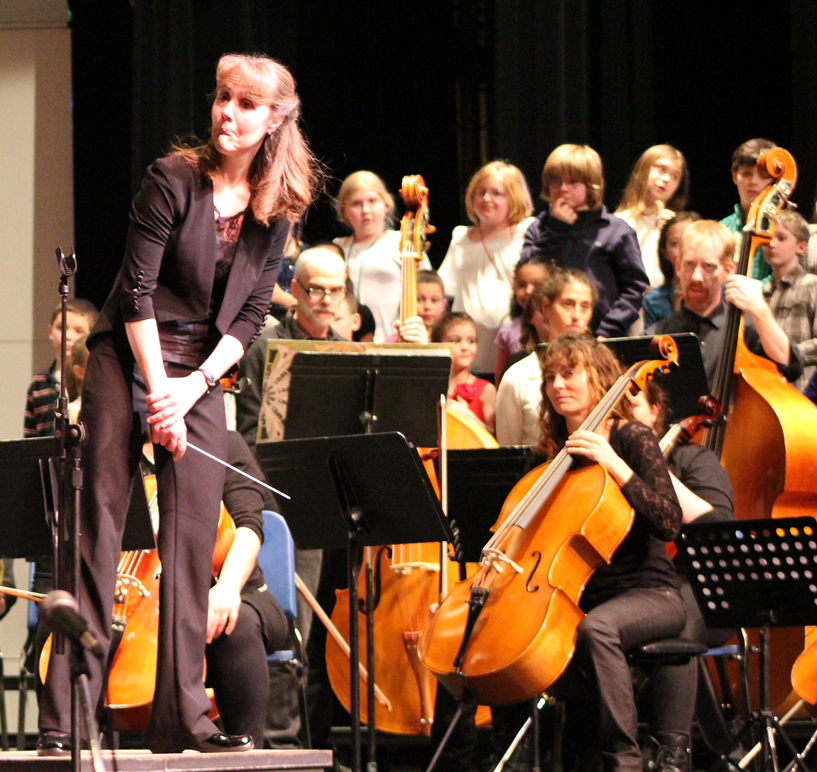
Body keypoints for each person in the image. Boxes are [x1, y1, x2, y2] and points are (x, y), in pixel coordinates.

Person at [38, 53, 320, 756]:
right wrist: (156, 386)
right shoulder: (172, 180)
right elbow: (134, 291)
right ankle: (64, 723)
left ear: (274, 119)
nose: (227, 114)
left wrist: (191, 389)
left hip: (199, 375)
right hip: (127, 354)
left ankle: (182, 719)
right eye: (223, 98)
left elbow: (252, 315)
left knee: (191, 543)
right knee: (99, 534)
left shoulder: (276, 207)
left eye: (245, 105)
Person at [529, 334, 684, 772]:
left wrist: (613, 463)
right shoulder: (548, 455)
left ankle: (624, 761)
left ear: (597, 377)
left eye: (569, 373)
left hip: (650, 594)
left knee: (597, 631)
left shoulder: (632, 437)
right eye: (550, 377)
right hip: (579, 595)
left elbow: (668, 520)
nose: (558, 384)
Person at [628, 383, 733, 772]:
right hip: (641, 586)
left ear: (656, 410)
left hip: (701, 588)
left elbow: (720, 528)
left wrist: (650, 469)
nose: (623, 415)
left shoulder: (693, 459)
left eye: (633, 405)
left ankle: (673, 758)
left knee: (675, 628)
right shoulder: (606, 463)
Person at [647, 219, 803, 390]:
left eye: (708, 266)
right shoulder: (655, 336)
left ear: (727, 271)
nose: (696, 277)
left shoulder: (747, 328)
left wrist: (759, 310)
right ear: (678, 267)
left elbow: (791, 367)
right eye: (689, 264)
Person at [520, 144, 648, 337]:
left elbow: (635, 287)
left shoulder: (616, 230)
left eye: (573, 182)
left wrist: (608, 329)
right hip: (547, 336)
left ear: (590, 186)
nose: (562, 189)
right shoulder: (539, 228)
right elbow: (526, 274)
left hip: (602, 336)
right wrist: (555, 229)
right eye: (555, 181)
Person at [438, 160, 535, 373]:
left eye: (497, 193)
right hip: (470, 346)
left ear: (514, 197)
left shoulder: (526, 233)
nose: (486, 199)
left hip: (512, 344)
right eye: (480, 192)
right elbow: (444, 289)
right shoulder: (461, 237)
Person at [495, 268, 596, 446]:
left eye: (585, 306)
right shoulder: (517, 377)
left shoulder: (602, 368)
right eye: (568, 304)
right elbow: (509, 450)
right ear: (545, 308)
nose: (577, 315)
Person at [333, 171, 431, 342]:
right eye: (356, 204)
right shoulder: (337, 247)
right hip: (346, 343)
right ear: (345, 211)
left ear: (386, 205)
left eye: (372, 201)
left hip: (391, 339)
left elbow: (427, 290)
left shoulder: (404, 243)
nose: (365, 210)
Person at [757, 210, 817, 392]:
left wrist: (790, 354)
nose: (771, 244)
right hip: (768, 388)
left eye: (781, 238)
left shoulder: (811, 285)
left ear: (801, 247)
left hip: (801, 390)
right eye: (768, 238)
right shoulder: (760, 292)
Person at [615, 145, 689, 290]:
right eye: (661, 169)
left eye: (675, 176)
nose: (667, 178)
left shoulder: (679, 226)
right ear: (643, 169)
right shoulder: (619, 222)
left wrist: (675, 236)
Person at [24, 299, 98, 438]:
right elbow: (30, 437)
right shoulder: (38, 384)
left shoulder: (97, 380)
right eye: (61, 328)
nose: (68, 336)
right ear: (50, 331)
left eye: (79, 331)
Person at [720, 138, 777, 282]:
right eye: (747, 174)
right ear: (735, 177)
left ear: (774, 179)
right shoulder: (721, 228)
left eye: (763, 175)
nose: (754, 182)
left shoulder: (785, 229)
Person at [432, 312, 497, 433]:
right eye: (455, 341)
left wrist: (468, 417)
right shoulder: (432, 388)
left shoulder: (487, 390)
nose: (465, 347)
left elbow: (493, 437)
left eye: (471, 341)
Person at [494, 256, 551, 384]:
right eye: (522, 285)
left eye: (537, 285)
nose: (529, 291)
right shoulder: (508, 329)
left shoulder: (556, 323)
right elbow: (500, 379)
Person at [642, 212, 701, 328]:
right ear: (665, 252)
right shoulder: (654, 300)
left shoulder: (717, 292)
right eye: (675, 243)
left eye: (690, 240)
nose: (684, 249)